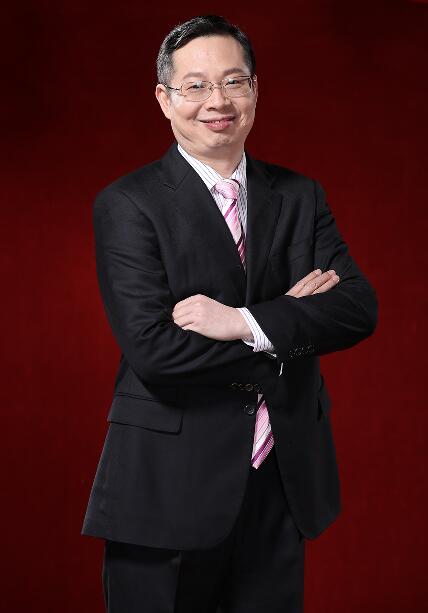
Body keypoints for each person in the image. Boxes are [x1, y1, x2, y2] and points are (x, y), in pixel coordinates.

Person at [81, 14, 377, 613]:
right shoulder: (129, 203)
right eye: (195, 86)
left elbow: (356, 308)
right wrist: (286, 330)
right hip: (167, 485)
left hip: (282, 479)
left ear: (255, 89)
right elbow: (155, 351)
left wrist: (243, 323)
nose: (217, 101)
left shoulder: (299, 195)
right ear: (164, 99)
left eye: (233, 82)